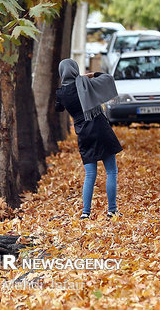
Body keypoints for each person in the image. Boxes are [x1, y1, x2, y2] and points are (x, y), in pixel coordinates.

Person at [55, 58, 123, 219]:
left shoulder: (61, 93)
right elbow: (107, 78)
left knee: (90, 174)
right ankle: (112, 210)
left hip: (83, 133)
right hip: (100, 127)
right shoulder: (85, 83)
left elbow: (58, 108)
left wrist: (61, 92)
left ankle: (86, 212)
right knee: (111, 171)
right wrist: (93, 74)